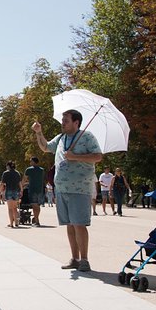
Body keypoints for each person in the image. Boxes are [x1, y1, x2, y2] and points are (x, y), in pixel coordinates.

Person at [33, 109, 102, 271]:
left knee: (79, 224)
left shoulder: (87, 137)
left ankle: (84, 259)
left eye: (66, 120)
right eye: (63, 120)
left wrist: (75, 157)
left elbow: (98, 156)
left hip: (80, 189)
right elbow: (45, 147)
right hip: (62, 189)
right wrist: (39, 132)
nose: (63, 123)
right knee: (69, 224)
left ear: (76, 122)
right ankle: (74, 258)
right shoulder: (61, 138)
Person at [23, 157, 45, 226]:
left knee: (34, 205)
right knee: (38, 206)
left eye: (31, 161)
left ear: (33, 162)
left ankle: (37, 221)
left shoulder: (29, 169)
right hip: (40, 190)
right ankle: (36, 218)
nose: (30, 163)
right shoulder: (42, 170)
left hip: (32, 189)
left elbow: (24, 179)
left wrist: (22, 186)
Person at [1, 161, 22, 228]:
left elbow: (2, 184)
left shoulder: (5, 173)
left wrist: (0, 192)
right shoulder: (17, 173)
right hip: (16, 191)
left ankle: (11, 223)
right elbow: (20, 183)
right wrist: (21, 190)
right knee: (15, 208)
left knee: (10, 208)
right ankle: (16, 222)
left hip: (9, 191)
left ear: (8, 166)